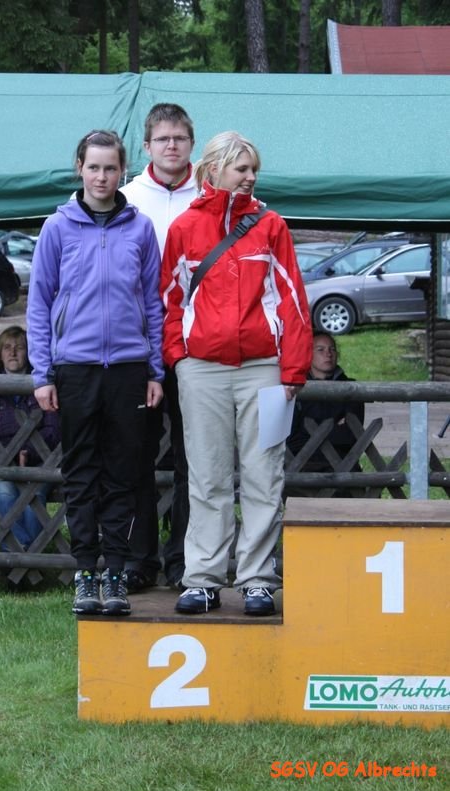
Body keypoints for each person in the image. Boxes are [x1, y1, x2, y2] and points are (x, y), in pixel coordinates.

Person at [160, 131, 313, 616]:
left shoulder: (271, 226)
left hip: (264, 370)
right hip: (202, 370)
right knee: (206, 476)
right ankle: (203, 579)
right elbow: (169, 300)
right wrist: (179, 358)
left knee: (264, 476)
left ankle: (257, 580)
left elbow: (292, 299)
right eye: (242, 168)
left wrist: (293, 370)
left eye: (253, 170)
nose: (250, 177)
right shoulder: (184, 228)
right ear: (214, 169)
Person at [27, 129, 164, 617]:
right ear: (79, 169)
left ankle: (117, 573)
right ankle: (85, 571)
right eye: (93, 167)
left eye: (110, 168)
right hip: (75, 369)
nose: (101, 177)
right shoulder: (57, 228)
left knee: (123, 474)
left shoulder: (140, 228)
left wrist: (155, 369)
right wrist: (42, 373)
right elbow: (39, 302)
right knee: (81, 474)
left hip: (128, 369)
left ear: (122, 171)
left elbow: (153, 302)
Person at [120, 102, 197, 592]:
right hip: (138, 346)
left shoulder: (210, 196)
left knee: (194, 459)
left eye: (180, 138)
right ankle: (139, 558)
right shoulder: (126, 199)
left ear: (192, 143)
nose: (172, 146)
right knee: (136, 455)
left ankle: (186, 559)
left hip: (195, 347)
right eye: (163, 139)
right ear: (147, 146)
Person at [0, 326, 60, 550]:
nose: (12, 352)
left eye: (19, 348)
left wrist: (27, 451)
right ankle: (25, 551)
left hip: (39, 461)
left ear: (29, 353)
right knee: (4, 492)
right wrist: (7, 455)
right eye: (7, 348)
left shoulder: (44, 384)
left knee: (34, 496)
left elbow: (53, 430)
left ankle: (16, 556)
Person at [286, 332, 365, 490]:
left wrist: (308, 431)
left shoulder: (351, 388)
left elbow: (351, 437)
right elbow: (292, 439)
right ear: (308, 354)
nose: (328, 354)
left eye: (332, 349)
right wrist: (335, 428)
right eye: (320, 349)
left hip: (342, 465)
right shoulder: (294, 388)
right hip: (301, 466)